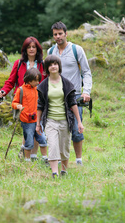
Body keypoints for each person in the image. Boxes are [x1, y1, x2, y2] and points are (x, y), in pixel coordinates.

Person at [47, 21, 92, 166]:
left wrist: (86, 92)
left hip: (75, 96)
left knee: (76, 130)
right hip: (56, 97)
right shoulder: (50, 52)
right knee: (59, 129)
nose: (58, 37)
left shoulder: (76, 50)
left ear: (66, 34)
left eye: (60, 34)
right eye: (55, 34)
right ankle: (60, 159)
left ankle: (78, 160)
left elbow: (86, 72)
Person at [0, 36, 46, 161]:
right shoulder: (19, 63)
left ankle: (33, 155)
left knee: (37, 126)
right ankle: (25, 150)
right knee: (28, 127)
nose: (31, 49)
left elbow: (46, 82)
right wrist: (4, 91)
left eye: (33, 47)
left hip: (38, 99)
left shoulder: (42, 64)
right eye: (28, 47)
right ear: (25, 49)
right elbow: (11, 81)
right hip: (23, 100)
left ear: (37, 49)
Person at [36, 55, 84, 178]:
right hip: (50, 120)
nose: (53, 66)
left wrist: (79, 122)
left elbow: (73, 103)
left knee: (64, 147)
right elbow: (40, 105)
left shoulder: (67, 84)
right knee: (52, 145)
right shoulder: (43, 86)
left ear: (59, 66)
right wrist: (38, 124)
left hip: (65, 120)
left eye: (55, 64)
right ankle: (54, 173)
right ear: (47, 68)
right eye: (50, 64)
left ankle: (63, 170)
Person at [12, 68, 48, 162]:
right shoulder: (21, 90)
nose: (37, 82)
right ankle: (27, 160)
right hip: (26, 121)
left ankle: (45, 158)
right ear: (28, 79)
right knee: (29, 141)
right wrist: (18, 106)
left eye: (38, 80)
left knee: (43, 139)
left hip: (37, 120)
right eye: (35, 80)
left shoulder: (38, 89)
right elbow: (14, 103)